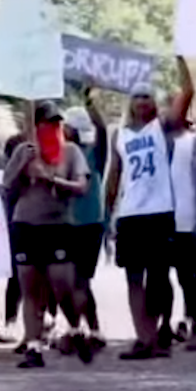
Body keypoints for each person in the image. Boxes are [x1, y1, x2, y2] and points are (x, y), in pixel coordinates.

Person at [105, 56, 193, 360]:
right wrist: (108, 211)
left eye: (147, 96)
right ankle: (142, 337)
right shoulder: (120, 134)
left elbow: (187, 95)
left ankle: (155, 334)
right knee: (132, 277)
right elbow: (114, 174)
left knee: (157, 276)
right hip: (130, 212)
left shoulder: (161, 127)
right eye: (137, 96)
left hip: (159, 210)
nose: (142, 101)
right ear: (130, 102)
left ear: (153, 102)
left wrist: (181, 61)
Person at [3, 100, 92, 369]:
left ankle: (76, 328)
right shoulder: (24, 150)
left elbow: (81, 187)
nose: (52, 127)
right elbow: (7, 185)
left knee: (61, 283)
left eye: (56, 123)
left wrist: (52, 180)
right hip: (26, 224)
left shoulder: (71, 151)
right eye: (46, 123)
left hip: (58, 225)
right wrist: (23, 166)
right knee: (30, 286)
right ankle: (33, 346)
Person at [62, 91, 108, 351]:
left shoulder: (93, 153)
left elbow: (101, 129)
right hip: (66, 223)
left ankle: (83, 329)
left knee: (80, 280)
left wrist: (92, 102)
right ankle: (85, 328)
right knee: (70, 281)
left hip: (89, 223)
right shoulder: (61, 154)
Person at [167, 118, 196, 351]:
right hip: (159, 215)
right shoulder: (156, 143)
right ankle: (165, 325)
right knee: (160, 276)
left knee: (188, 277)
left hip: (186, 217)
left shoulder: (193, 142)